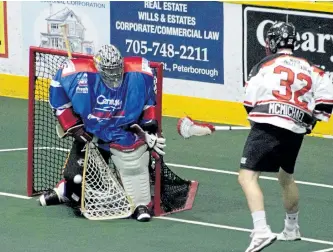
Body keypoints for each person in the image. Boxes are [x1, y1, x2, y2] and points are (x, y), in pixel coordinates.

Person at [38, 44, 166, 222]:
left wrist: (149, 128)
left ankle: (140, 204)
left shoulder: (138, 75)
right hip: (92, 134)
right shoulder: (75, 74)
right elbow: (58, 99)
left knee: (134, 162)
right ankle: (65, 191)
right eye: (108, 70)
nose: (113, 75)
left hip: (124, 133)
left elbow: (149, 103)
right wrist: (73, 126)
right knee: (75, 178)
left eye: (116, 69)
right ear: (97, 68)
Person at [239, 22, 333, 251]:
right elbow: (325, 105)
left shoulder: (263, 65)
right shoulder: (312, 68)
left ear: (271, 42)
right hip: (295, 129)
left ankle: (261, 230)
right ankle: (292, 229)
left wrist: (258, 120)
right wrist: (311, 120)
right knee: (286, 177)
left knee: (247, 177)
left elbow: (249, 102)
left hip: (268, 125)